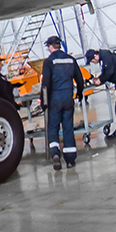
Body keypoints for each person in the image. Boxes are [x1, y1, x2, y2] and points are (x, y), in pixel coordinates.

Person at [41, 36, 85, 170]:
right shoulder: (71, 60)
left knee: (53, 127)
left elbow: (45, 84)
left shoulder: (49, 62)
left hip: (55, 99)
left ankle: (55, 154)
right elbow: (80, 79)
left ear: (50, 47)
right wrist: (79, 93)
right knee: (68, 128)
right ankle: (70, 160)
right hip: (68, 98)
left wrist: (44, 101)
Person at [85, 49, 116, 139]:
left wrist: (100, 80)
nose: (93, 62)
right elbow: (106, 72)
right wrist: (99, 78)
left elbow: (109, 71)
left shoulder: (105, 56)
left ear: (95, 56)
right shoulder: (104, 57)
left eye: (92, 60)